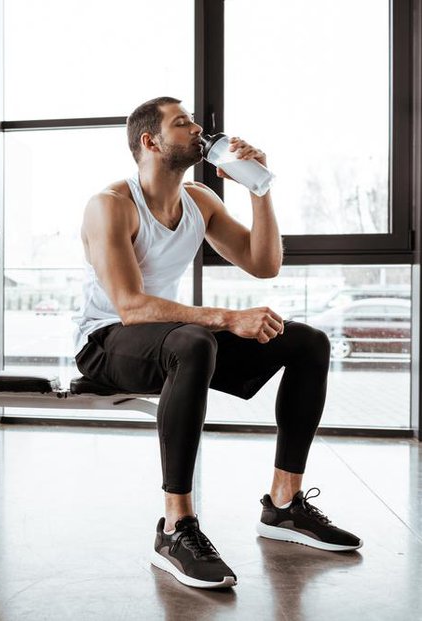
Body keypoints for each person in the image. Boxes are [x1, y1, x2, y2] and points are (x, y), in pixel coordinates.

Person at [74, 96, 362, 590]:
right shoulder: (111, 205)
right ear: (150, 141)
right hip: (106, 342)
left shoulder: (200, 202)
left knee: (307, 342)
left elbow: (264, 263)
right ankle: (175, 528)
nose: (196, 130)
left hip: (171, 338)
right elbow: (129, 306)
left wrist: (259, 187)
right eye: (181, 123)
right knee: (194, 342)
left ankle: (284, 505)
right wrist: (227, 319)